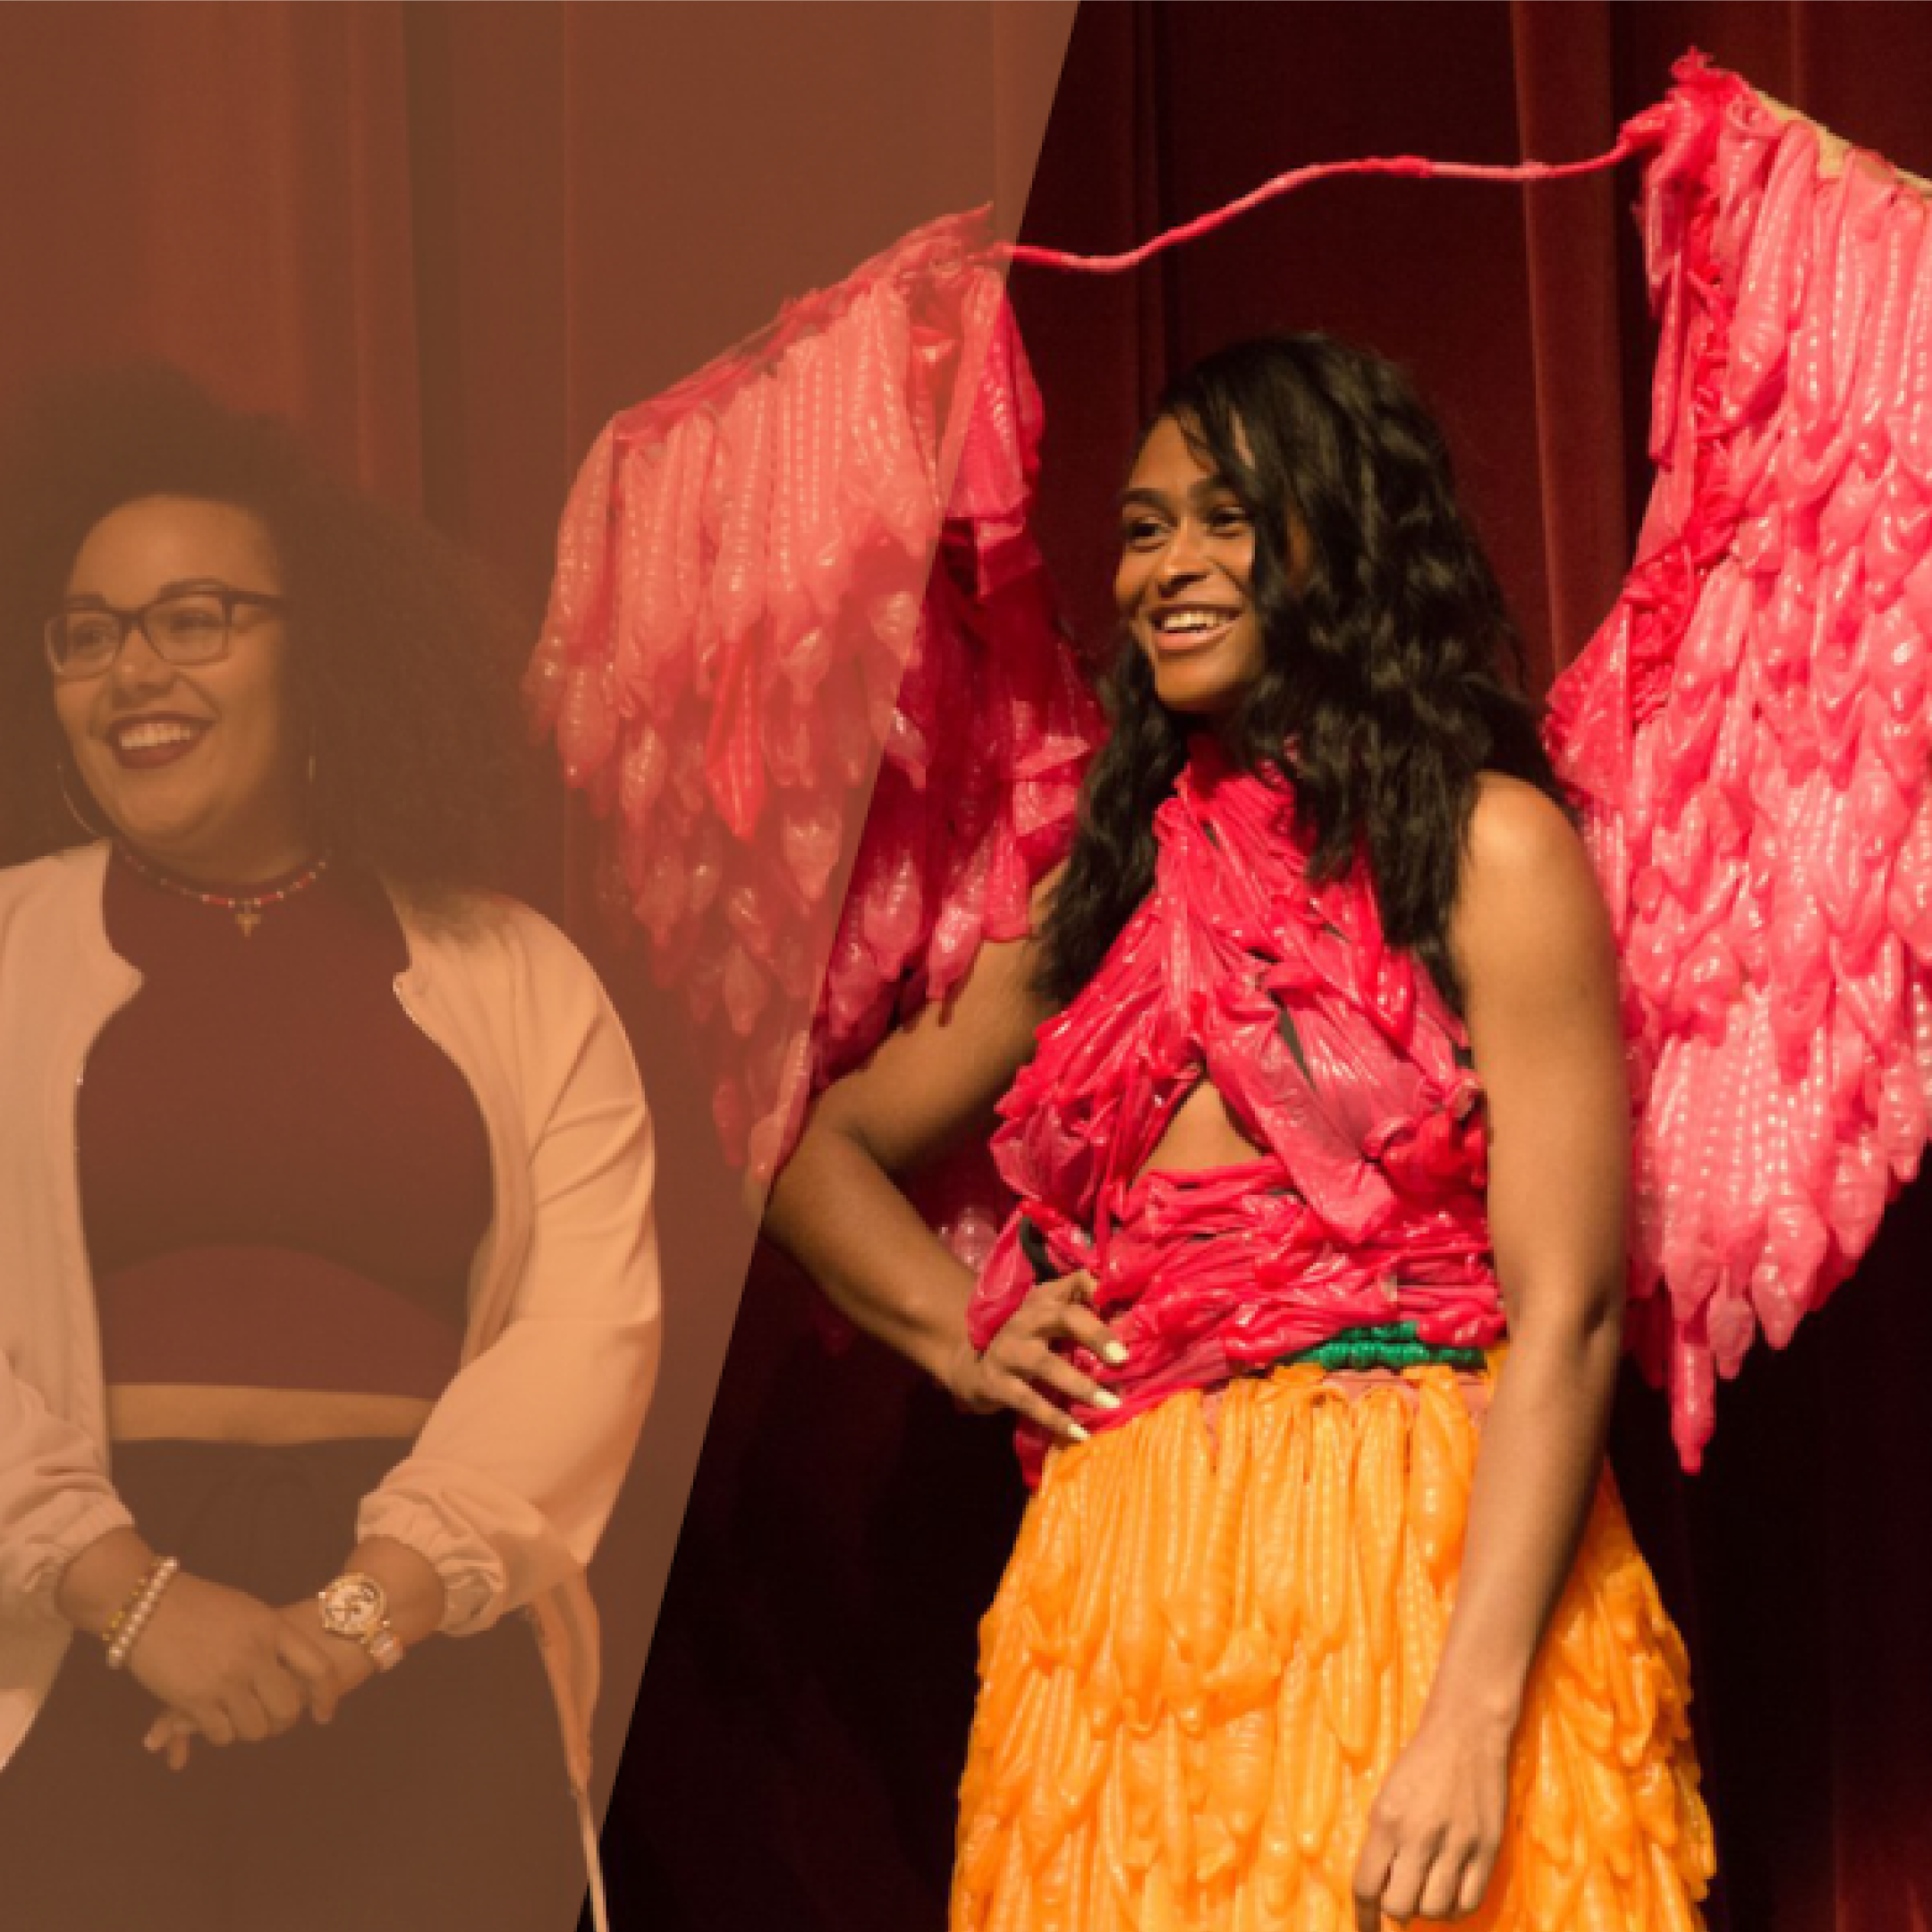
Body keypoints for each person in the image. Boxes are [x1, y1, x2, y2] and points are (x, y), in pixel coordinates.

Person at [765, 335, 1714, 1928]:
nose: (1170, 568)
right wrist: (965, 1334)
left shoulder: (1492, 848)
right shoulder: (1103, 877)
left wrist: (1472, 1726)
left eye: (1230, 518)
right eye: (1144, 528)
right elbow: (801, 1157)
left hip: (1417, 1564)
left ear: (1346, 539)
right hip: (1122, 1582)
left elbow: (1574, 1312)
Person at [0, 367, 661, 1932]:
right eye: (87, 633)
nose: (131, 670)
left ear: (326, 649)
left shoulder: (512, 973)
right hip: (66, 1625)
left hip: (424, 1625)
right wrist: (128, 1592)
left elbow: (590, 1334)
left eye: (193, 617)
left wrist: (361, 1615)